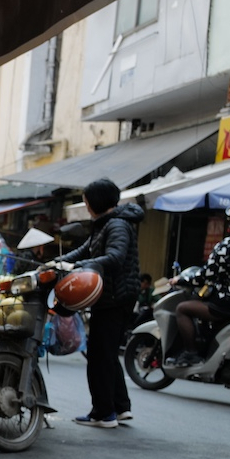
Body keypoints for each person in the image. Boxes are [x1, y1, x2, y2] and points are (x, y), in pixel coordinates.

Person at [56, 177, 142, 427]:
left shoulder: (116, 225)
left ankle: (103, 413)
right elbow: (85, 250)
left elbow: (114, 257)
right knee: (107, 352)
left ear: (95, 201)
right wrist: (57, 262)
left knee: (98, 355)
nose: (85, 204)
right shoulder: (105, 224)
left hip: (115, 297)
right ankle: (120, 407)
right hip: (114, 296)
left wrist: (80, 265)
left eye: (86, 200)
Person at [166, 207, 230, 367]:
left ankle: (191, 353)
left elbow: (205, 275)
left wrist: (181, 280)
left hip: (226, 302)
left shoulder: (227, 245)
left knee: (182, 309)